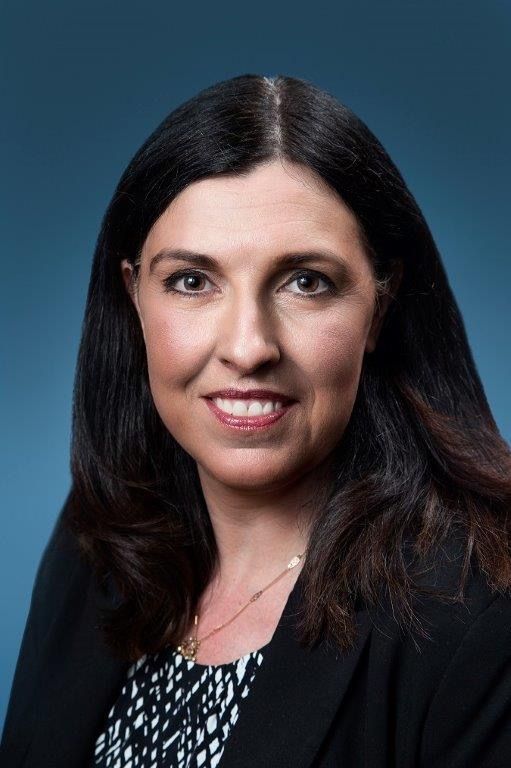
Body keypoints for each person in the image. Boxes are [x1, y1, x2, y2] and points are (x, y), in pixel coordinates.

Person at [2, 73, 511, 768]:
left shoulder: (480, 613)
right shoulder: (93, 543)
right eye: (192, 281)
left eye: (307, 282)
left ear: (379, 307)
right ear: (134, 297)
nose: (248, 347)